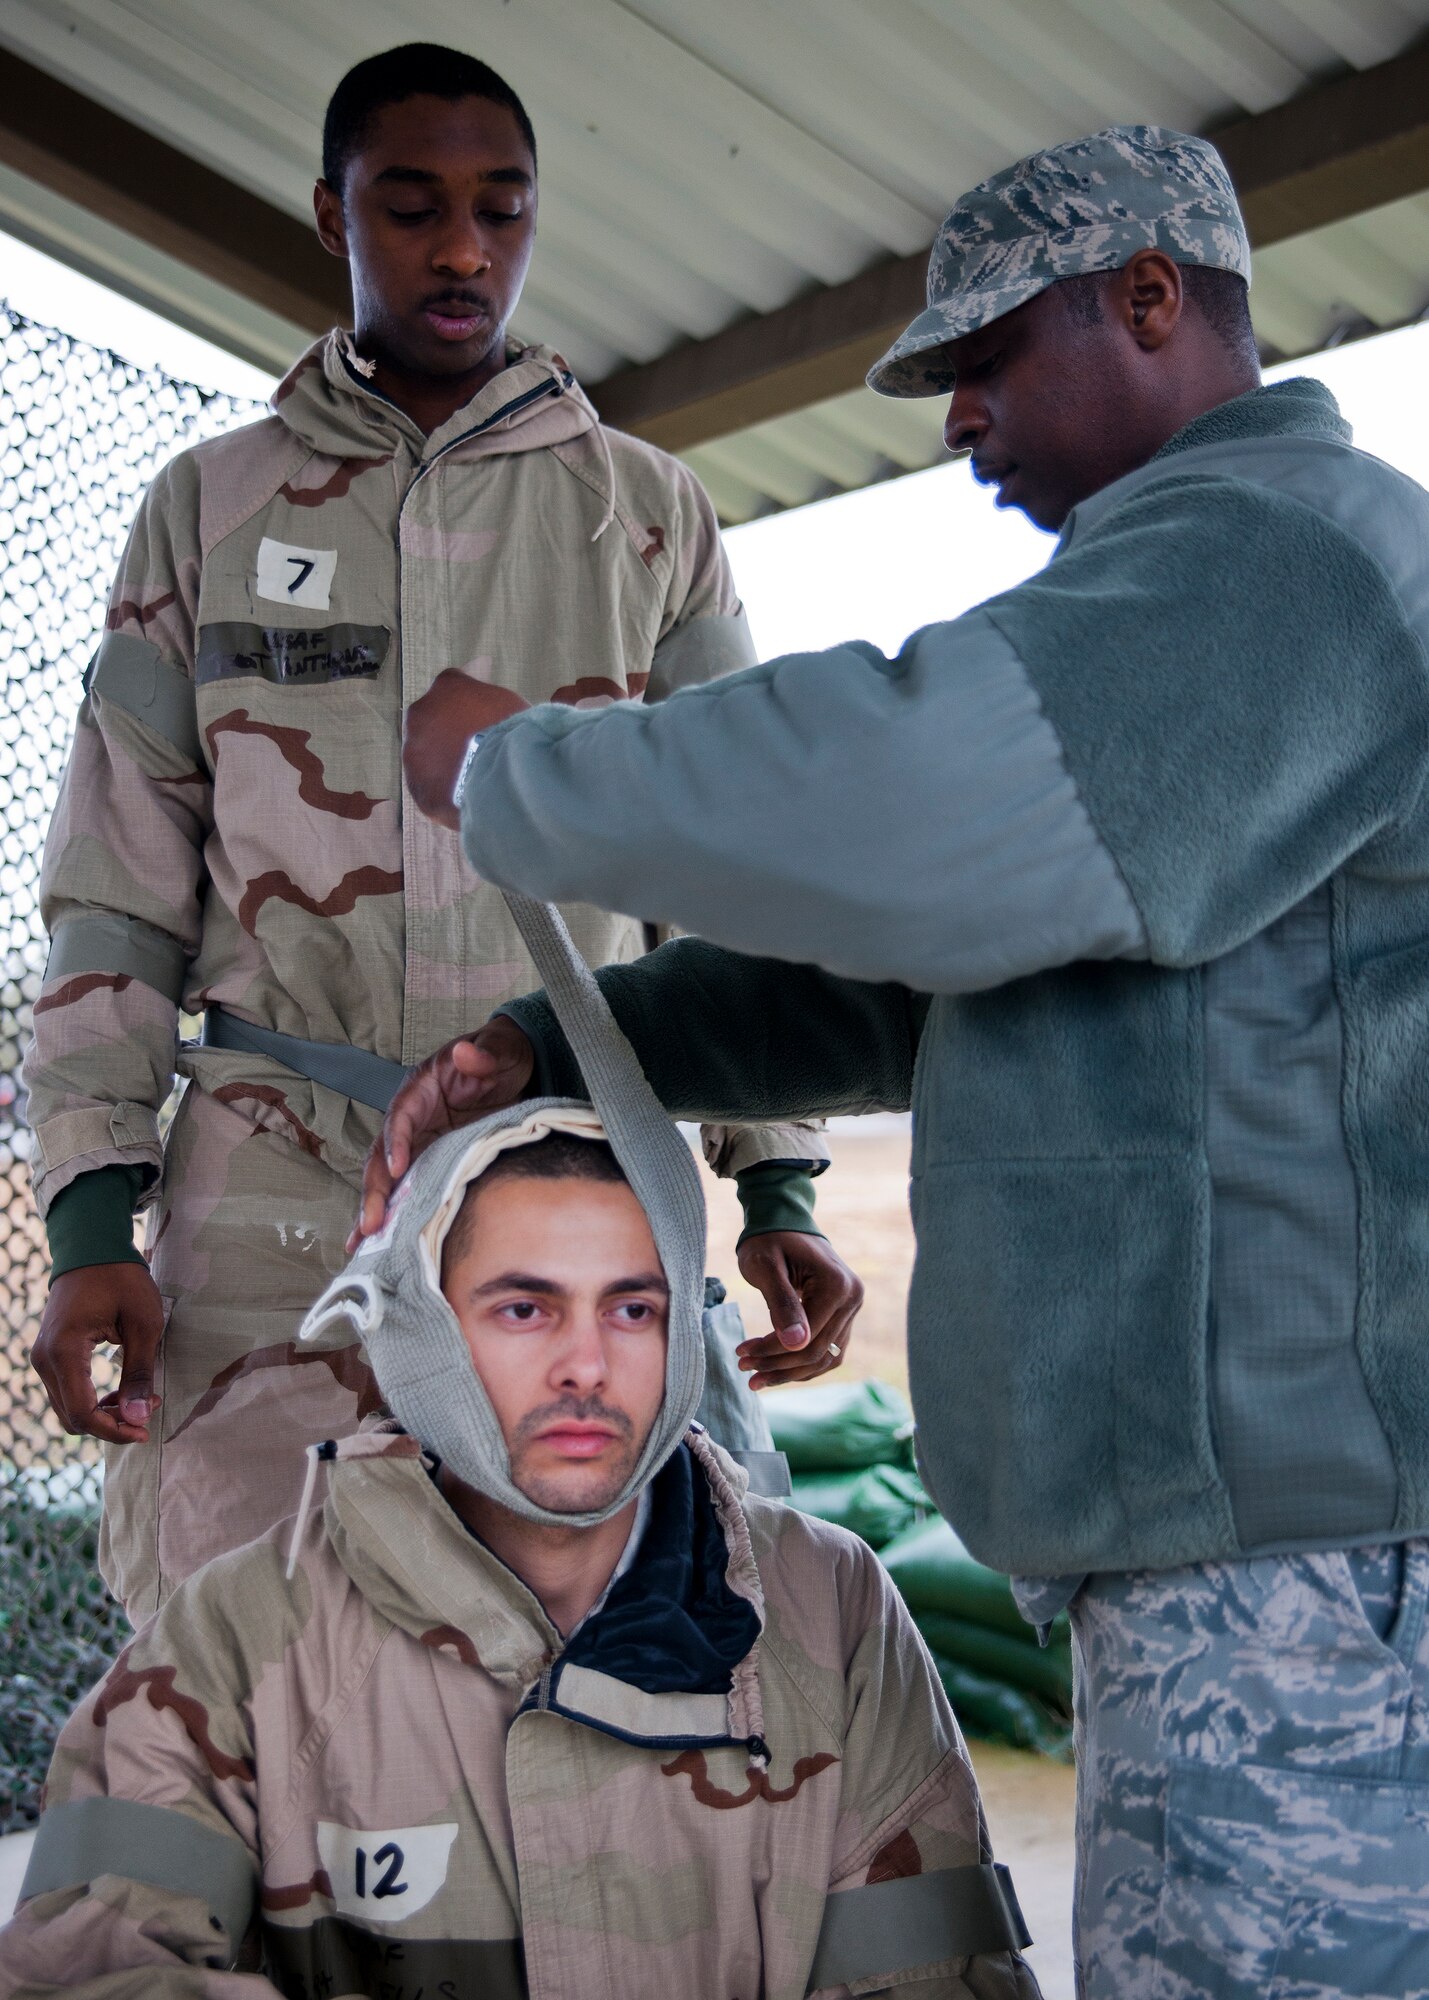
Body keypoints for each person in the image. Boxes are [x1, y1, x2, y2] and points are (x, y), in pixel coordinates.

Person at [375, 127, 1429, 1996]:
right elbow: (910, 978)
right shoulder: (1175, 621)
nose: (957, 422)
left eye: (986, 360)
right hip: (1239, 1566)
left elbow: (919, 794)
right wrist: (553, 1040)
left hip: (1305, 1575)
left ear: (1150, 299)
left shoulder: (1281, 559)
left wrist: (519, 764)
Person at [23, 40, 853, 1622]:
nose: (463, 250)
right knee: (242, 1647)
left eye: (501, 209)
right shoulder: (208, 511)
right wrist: (86, 1224)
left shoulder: (648, 516)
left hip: (578, 1179)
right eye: (410, 208)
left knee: (615, 1647)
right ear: (331, 212)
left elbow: (743, 874)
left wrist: (779, 1193)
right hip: (273, 1195)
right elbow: (114, 896)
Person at [1, 1109, 1038, 1999]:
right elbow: (94, 1968)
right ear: (421, 1331)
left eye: (633, 1307)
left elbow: (936, 1972)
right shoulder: (237, 1631)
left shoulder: (829, 1604)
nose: (585, 1363)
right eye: (523, 1307)